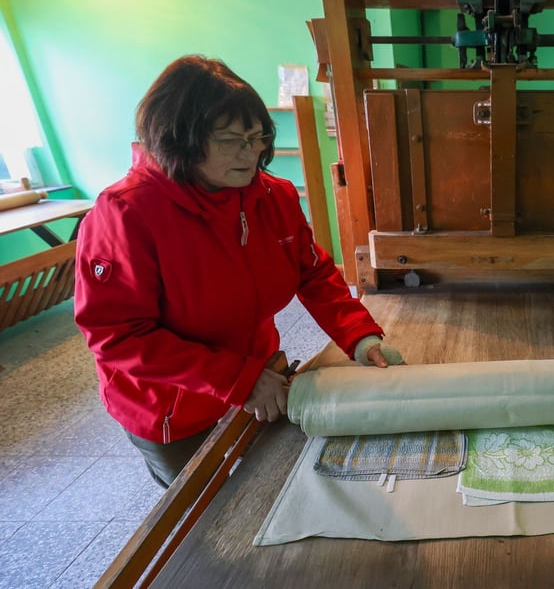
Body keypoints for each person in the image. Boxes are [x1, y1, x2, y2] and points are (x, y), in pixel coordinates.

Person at [74, 55, 401, 488]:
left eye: (257, 137)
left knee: (271, 487)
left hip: (260, 376)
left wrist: (359, 336)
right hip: (175, 404)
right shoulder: (126, 214)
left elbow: (313, 273)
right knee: (207, 510)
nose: (252, 154)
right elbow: (118, 336)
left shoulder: (271, 197)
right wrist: (238, 381)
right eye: (231, 140)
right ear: (181, 140)